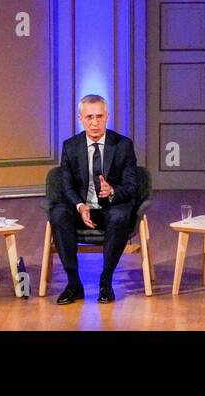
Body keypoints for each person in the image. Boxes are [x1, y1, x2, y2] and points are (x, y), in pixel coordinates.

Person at [48, 95, 141, 305]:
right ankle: (74, 283)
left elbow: (132, 186)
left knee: (120, 216)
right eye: (89, 117)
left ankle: (106, 281)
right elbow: (66, 185)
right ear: (80, 118)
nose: (95, 122)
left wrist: (112, 191)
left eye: (99, 116)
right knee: (58, 212)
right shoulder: (70, 146)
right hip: (83, 209)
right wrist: (80, 206)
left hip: (111, 208)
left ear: (107, 117)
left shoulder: (123, 145)